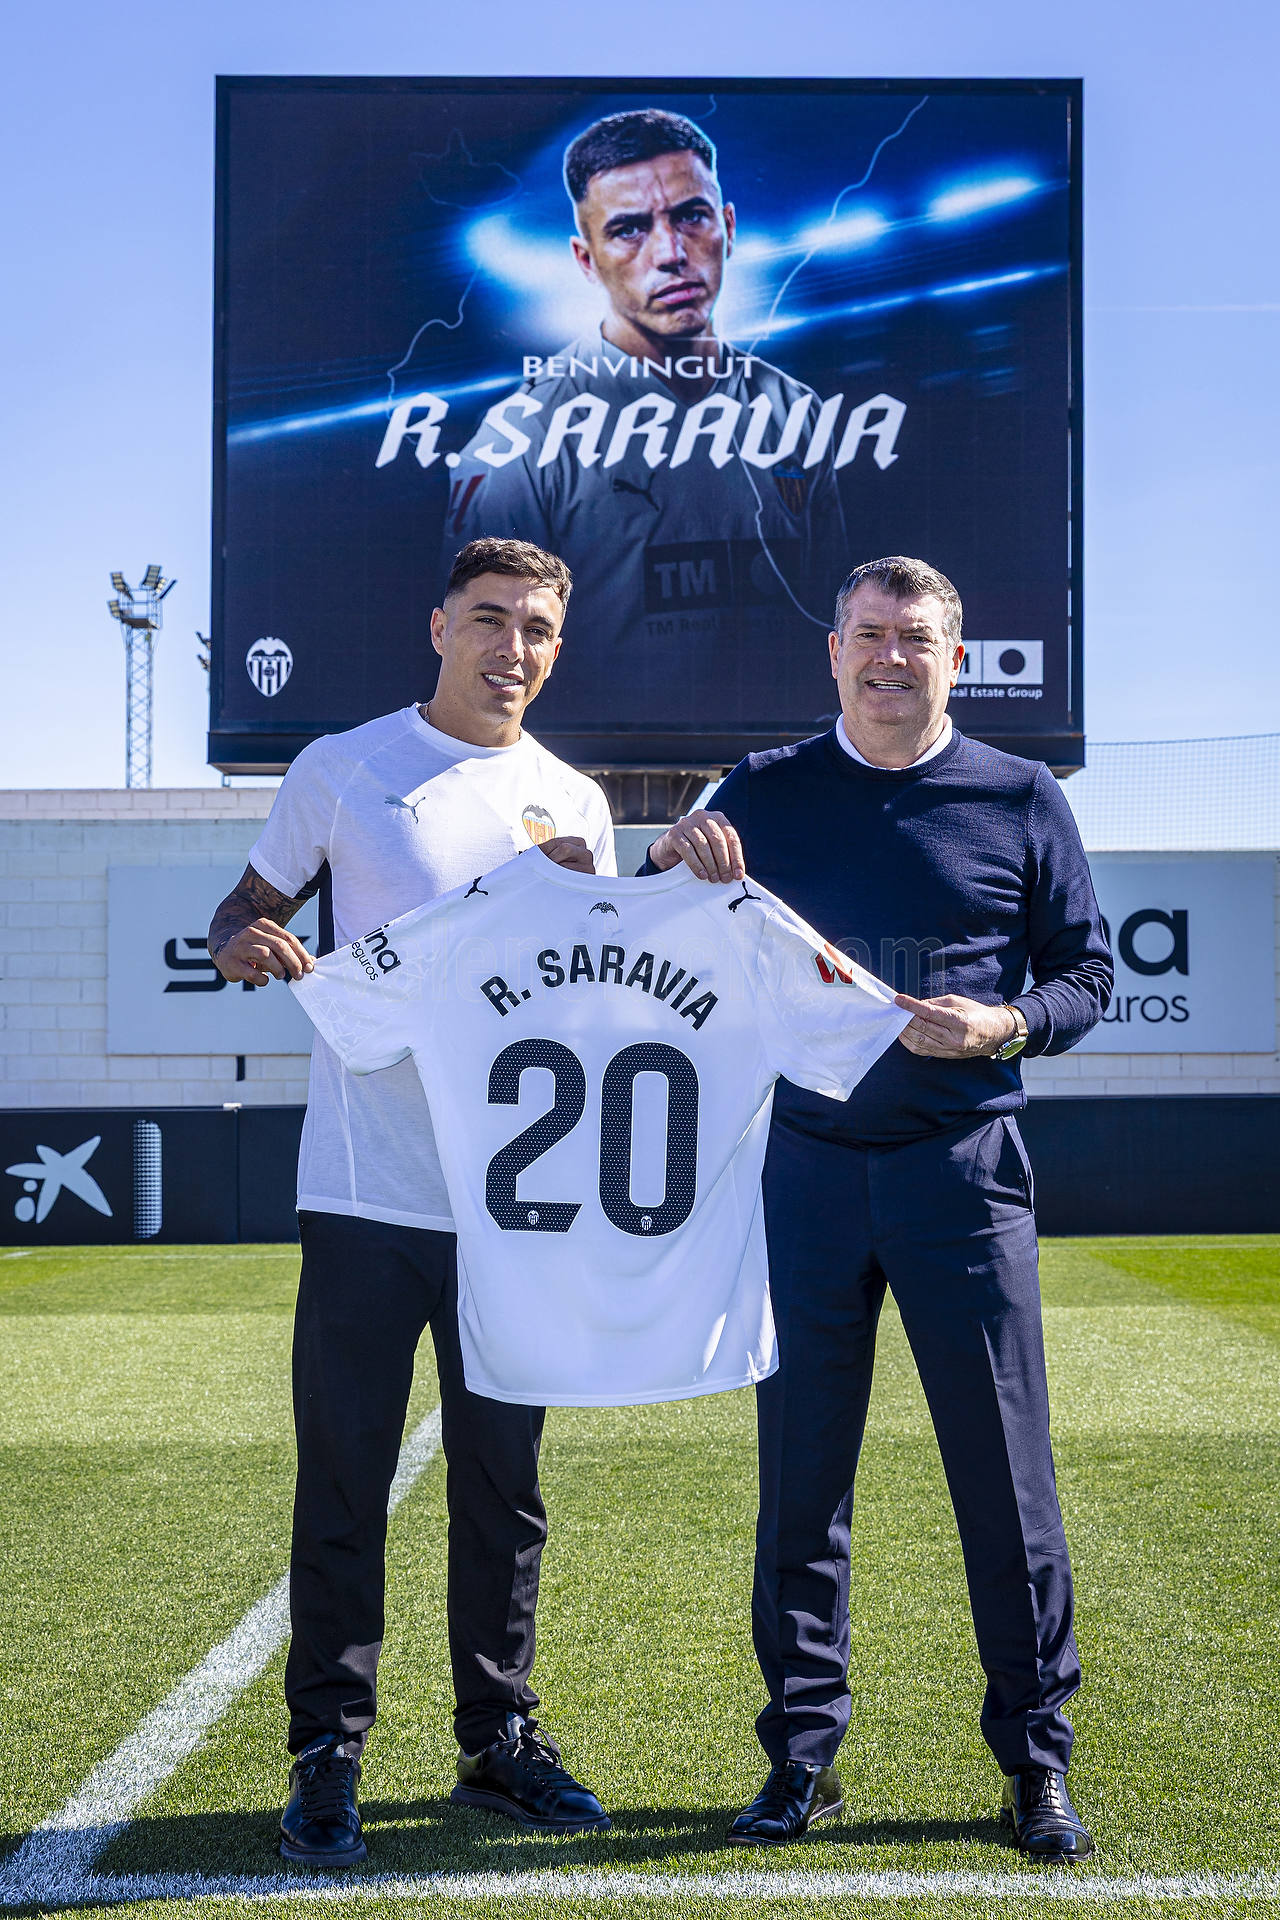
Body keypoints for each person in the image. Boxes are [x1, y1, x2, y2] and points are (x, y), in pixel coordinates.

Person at [645, 556, 1112, 1861]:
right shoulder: (761, 789)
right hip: (802, 1172)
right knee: (801, 1482)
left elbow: (1086, 976)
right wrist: (668, 855)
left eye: (914, 639)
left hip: (961, 1173)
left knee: (1005, 1484)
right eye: (867, 635)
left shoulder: (1019, 797)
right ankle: (800, 1759)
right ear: (834, 652)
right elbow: (660, 930)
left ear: (954, 659)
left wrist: (1006, 1021)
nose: (888, 658)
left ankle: (1034, 1763)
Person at [208, 537, 616, 1867]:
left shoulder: (575, 801)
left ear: (557, 646)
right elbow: (238, 914)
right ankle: (325, 1757)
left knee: (506, 1487)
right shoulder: (344, 767)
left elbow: (592, 996)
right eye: (489, 620)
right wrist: (246, 944)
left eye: (536, 629)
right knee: (344, 1478)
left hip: (514, 1205)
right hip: (365, 1192)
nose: (512, 649)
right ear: (439, 627)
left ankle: (497, 1741)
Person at [445, 108, 850, 744]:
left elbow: (837, 629)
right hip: (574, 777)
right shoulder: (517, 442)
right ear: (586, 259)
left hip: (774, 776)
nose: (670, 254)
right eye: (629, 229)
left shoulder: (795, 411)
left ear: (728, 227)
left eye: (691, 216)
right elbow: (483, 654)